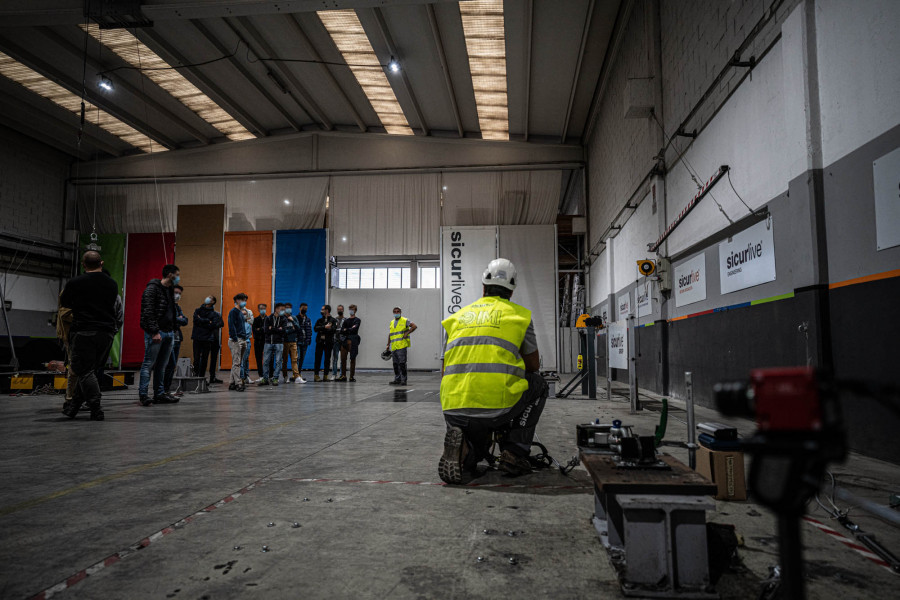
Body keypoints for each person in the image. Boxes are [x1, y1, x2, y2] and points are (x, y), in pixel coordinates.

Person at [437, 258, 549, 484]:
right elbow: (533, 366)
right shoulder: (519, 316)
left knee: (475, 424)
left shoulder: (457, 317)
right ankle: (515, 452)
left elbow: (445, 368)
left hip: (452, 406)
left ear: (483, 287)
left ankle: (466, 451)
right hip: (497, 406)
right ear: (512, 290)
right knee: (538, 384)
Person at [59, 251, 118, 420]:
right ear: (102, 263)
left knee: (83, 370)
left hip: (84, 330)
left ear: (83, 265)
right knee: (90, 370)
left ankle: (96, 408)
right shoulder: (112, 284)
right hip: (106, 333)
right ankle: (73, 407)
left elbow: (65, 303)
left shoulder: (75, 282)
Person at [138, 264, 180, 407]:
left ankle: (159, 393)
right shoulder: (152, 289)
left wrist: (173, 329)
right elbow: (147, 312)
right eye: (177, 274)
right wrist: (155, 331)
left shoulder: (169, 290)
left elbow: (171, 311)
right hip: (156, 333)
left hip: (169, 332)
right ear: (170, 275)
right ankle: (143, 395)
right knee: (148, 364)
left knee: (162, 366)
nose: (178, 278)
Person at [192, 295, 224, 385]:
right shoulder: (197, 310)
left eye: (210, 297)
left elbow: (216, 324)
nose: (207, 298)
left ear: (213, 301)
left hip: (209, 338)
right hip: (198, 337)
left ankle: (205, 377)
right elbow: (196, 321)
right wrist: (207, 321)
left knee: (206, 359)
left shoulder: (215, 314)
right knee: (197, 359)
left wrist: (201, 320)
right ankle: (195, 377)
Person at [164, 284, 188, 394]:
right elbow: (169, 319)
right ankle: (163, 390)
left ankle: (167, 389)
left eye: (179, 293)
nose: (177, 295)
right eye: (176, 292)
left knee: (172, 366)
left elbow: (185, 321)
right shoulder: (166, 305)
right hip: (168, 338)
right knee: (168, 364)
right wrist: (178, 318)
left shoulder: (177, 307)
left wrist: (177, 319)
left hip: (178, 338)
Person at [386, 306, 417, 386]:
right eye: (395, 312)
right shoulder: (392, 322)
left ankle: (403, 380)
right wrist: (388, 344)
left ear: (400, 312)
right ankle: (397, 379)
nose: (396, 313)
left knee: (402, 363)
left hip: (402, 345)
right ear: (393, 313)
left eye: (398, 311)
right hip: (394, 346)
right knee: (395, 364)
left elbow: (414, 326)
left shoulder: (405, 320)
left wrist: (407, 333)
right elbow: (390, 334)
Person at [226, 293, 250, 392]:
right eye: (243, 300)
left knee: (237, 363)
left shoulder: (240, 312)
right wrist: (235, 339)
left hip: (242, 339)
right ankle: (238, 383)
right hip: (236, 340)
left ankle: (232, 383)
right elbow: (231, 326)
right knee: (237, 363)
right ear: (237, 300)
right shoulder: (233, 312)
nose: (245, 302)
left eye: (245, 300)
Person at [259, 302, 286, 386]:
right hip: (268, 342)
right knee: (266, 361)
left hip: (279, 343)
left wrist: (272, 328)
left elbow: (284, 331)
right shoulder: (268, 318)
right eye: (281, 310)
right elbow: (266, 331)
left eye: (283, 310)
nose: (283, 311)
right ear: (276, 309)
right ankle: (265, 378)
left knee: (278, 361)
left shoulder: (284, 319)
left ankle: (275, 378)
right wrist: (278, 329)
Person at [336, 304, 361, 382]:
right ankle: (343, 376)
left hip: (353, 341)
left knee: (352, 358)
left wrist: (346, 329)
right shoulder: (346, 320)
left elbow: (354, 329)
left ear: (355, 310)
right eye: (350, 309)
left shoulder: (357, 320)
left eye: (352, 309)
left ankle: (351, 376)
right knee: (343, 359)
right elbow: (341, 330)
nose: (351, 311)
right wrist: (347, 329)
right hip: (345, 341)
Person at [313, 305, 337, 382]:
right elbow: (315, 328)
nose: (321, 311)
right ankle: (316, 375)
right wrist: (324, 327)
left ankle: (325, 376)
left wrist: (324, 329)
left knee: (327, 359)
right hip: (320, 342)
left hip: (328, 342)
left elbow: (333, 330)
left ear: (327, 310)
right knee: (318, 359)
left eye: (323, 309)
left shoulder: (333, 320)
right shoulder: (320, 320)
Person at [281, 303, 301, 383]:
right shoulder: (282, 318)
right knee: (284, 360)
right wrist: (292, 329)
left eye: (290, 308)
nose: (289, 309)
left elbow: (298, 328)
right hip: (285, 342)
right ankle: (285, 376)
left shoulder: (294, 318)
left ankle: (297, 377)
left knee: (294, 360)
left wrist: (293, 322)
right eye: (287, 308)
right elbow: (283, 331)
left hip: (293, 342)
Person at [295, 303, 312, 384]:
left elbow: (309, 330)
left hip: (305, 342)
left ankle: (299, 374)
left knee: (302, 359)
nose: (304, 309)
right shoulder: (296, 318)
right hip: (298, 341)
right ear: (299, 308)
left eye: (306, 308)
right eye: (303, 308)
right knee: (297, 358)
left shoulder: (308, 319)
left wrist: (309, 340)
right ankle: (296, 375)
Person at [252, 303, 268, 381]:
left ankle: (268, 376)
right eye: (261, 308)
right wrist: (263, 329)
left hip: (267, 342)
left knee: (267, 359)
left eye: (264, 308)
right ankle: (261, 376)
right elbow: (255, 331)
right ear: (258, 310)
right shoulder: (255, 320)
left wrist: (260, 329)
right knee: (258, 359)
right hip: (258, 342)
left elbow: (268, 330)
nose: (263, 310)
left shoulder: (268, 319)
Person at [240, 303, 254, 386]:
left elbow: (246, 334)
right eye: (242, 314)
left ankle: (246, 376)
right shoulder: (237, 324)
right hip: (238, 343)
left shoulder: (248, 325)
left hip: (246, 343)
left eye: (245, 314)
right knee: (240, 361)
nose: (244, 316)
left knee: (245, 360)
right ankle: (241, 377)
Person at [331, 304, 346, 378]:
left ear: (343, 310)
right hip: (335, 341)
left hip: (343, 341)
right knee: (335, 358)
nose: (340, 310)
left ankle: (341, 374)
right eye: (338, 309)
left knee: (342, 359)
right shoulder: (334, 319)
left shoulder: (346, 320)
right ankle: (334, 374)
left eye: (341, 309)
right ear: (337, 310)